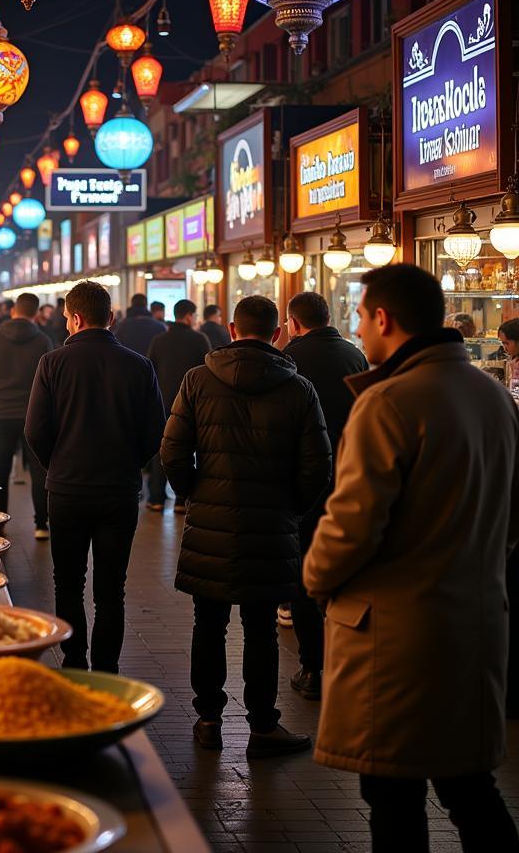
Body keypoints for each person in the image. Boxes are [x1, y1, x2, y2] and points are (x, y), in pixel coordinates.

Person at [304, 265, 519, 852]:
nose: (357, 327)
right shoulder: (494, 397)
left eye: (359, 315)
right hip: (475, 626)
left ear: (383, 318)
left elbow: (350, 525)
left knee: (394, 799)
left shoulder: (389, 402)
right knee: (471, 789)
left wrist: (315, 579)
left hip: (397, 639)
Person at [160, 295, 331, 758]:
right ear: (277, 334)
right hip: (272, 525)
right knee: (262, 629)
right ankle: (262, 726)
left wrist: (196, 492)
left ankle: (208, 719)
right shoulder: (299, 390)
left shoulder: (198, 380)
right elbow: (318, 466)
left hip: (210, 525)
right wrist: (290, 508)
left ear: (232, 330)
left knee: (208, 623)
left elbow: (172, 451)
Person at [26, 280, 166, 672]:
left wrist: (57, 464)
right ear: (112, 318)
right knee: (111, 591)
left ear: (74, 318)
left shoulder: (52, 363)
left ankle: (73, 661)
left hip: (67, 490)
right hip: (119, 491)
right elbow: (156, 431)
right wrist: (130, 463)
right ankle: (107, 669)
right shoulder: (139, 365)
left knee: (67, 583)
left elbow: (35, 429)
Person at [282, 292, 368, 700]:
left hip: (302, 480)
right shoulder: (354, 355)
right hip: (350, 477)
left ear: (295, 323)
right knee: (345, 571)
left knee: (302, 573)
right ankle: (348, 660)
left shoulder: (288, 359)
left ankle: (313, 666)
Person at [0, 292, 52, 537]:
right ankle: (41, 524)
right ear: (36, 314)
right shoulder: (43, 341)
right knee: (39, 469)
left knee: (0, 466)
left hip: (0, 412)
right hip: (33, 414)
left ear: (13, 310)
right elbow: (50, 379)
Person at [145, 300, 210, 511]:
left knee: (161, 449)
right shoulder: (200, 339)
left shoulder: (159, 339)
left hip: (163, 403)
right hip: (193, 403)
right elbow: (209, 370)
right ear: (189, 316)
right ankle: (183, 499)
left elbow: (149, 370)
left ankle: (156, 498)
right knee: (190, 450)